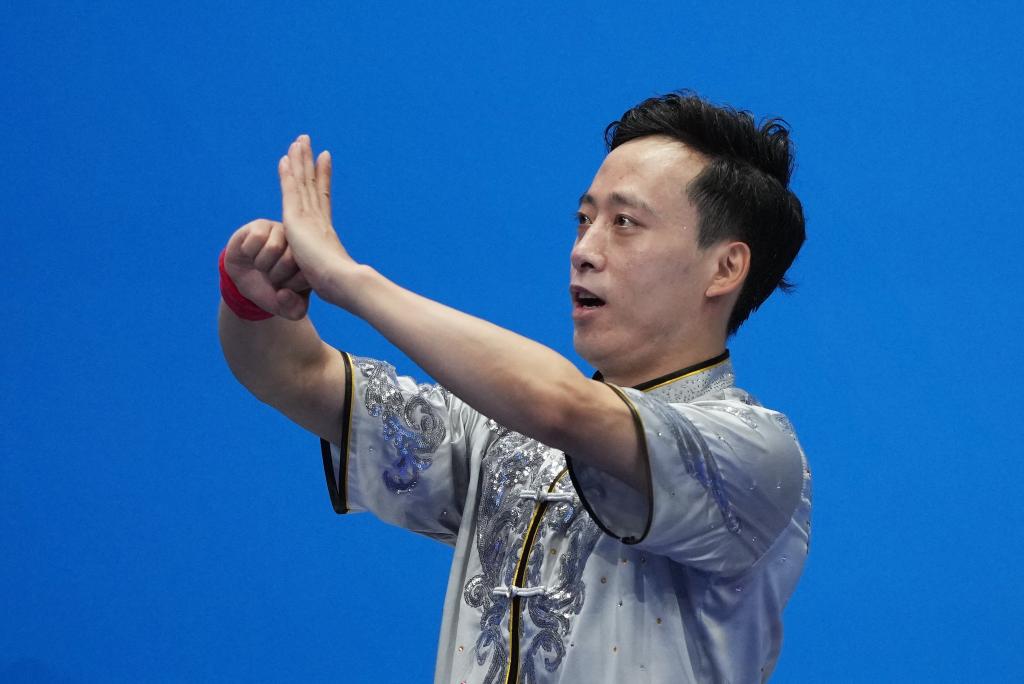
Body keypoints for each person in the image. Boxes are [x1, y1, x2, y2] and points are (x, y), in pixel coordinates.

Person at [218, 91, 811, 683]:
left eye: (625, 223)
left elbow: (562, 407)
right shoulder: (503, 434)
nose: (584, 250)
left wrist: (349, 280)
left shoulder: (756, 453)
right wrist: (252, 297)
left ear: (725, 268)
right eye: (584, 219)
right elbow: (297, 375)